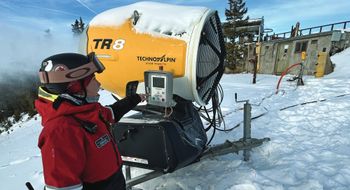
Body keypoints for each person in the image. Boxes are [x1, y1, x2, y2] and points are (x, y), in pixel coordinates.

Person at [35, 52, 146, 190]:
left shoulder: (87, 111)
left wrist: (136, 98)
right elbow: (63, 186)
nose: (99, 84)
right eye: (93, 79)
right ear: (75, 86)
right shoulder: (61, 130)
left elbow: (112, 113)